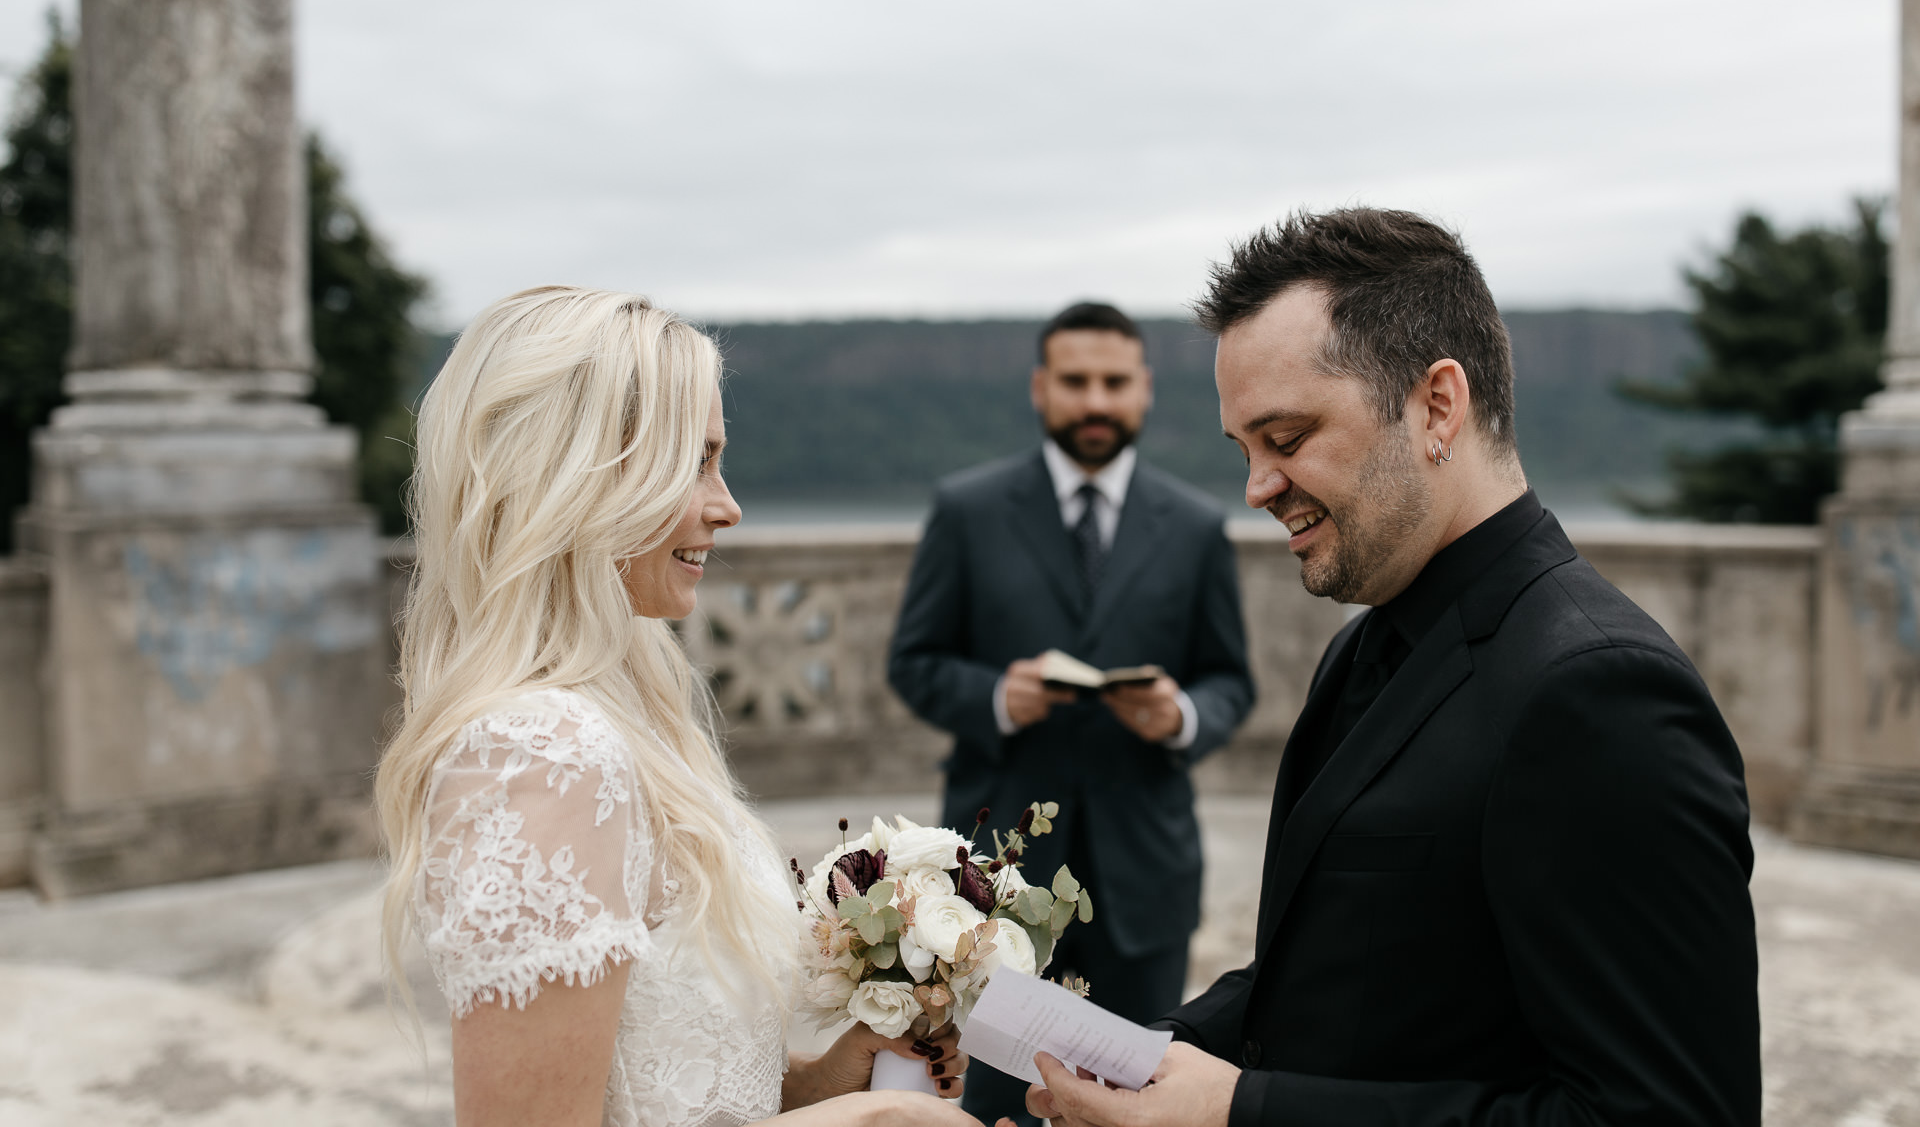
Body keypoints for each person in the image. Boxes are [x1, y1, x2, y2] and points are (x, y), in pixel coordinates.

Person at [1025, 209, 1761, 1126]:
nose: (1256, 488)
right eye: (1245, 451)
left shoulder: (1601, 695)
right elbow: (1328, 979)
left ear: (1436, 406)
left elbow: (1670, 1118)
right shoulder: (1361, 645)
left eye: (1286, 440)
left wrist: (1241, 1113)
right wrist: (1120, 1061)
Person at [374, 287, 983, 1127]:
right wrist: (879, 1124)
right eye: (695, 462)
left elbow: (688, 1090)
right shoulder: (542, 752)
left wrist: (836, 1078)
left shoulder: (626, 714)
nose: (727, 506)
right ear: (577, 479)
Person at [888, 302, 1257, 1127]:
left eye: (1115, 383)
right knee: (987, 1101)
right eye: (1077, 382)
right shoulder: (967, 509)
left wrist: (1181, 718)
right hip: (994, 881)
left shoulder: (1196, 527)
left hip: (1146, 872)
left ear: (1146, 391)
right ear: (1040, 388)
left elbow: (1230, 681)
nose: (1096, 401)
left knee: (1134, 1096)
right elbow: (911, 664)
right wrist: (995, 698)